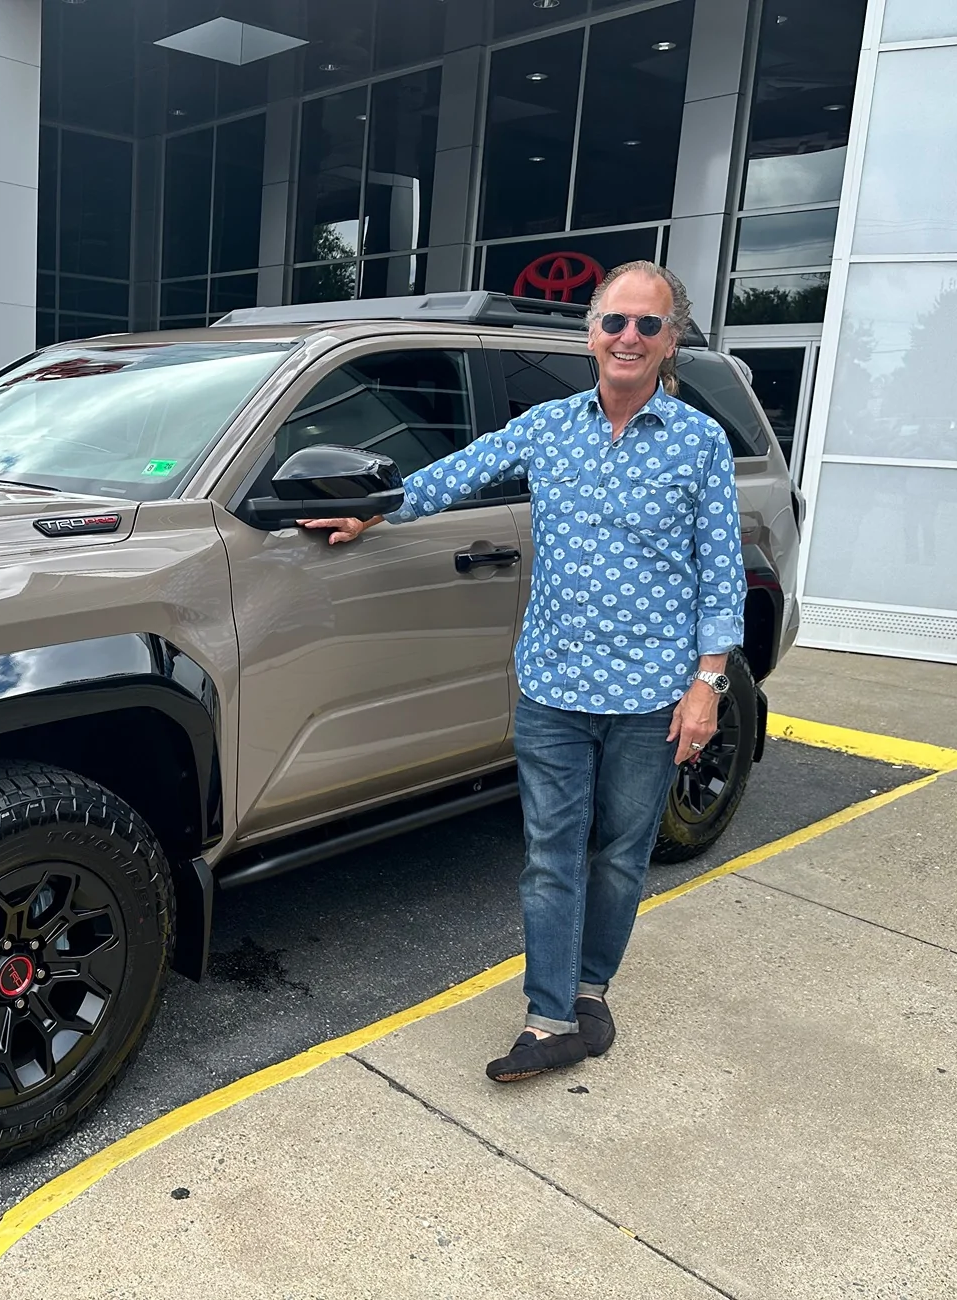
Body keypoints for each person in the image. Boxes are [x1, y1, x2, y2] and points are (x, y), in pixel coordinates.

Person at [302, 262, 747, 1081]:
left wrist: (706, 687)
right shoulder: (547, 426)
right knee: (549, 854)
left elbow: (719, 576)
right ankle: (548, 1019)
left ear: (669, 339)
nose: (628, 338)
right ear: (590, 333)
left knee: (619, 854)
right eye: (615, 322)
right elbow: (453, 474)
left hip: (652, 696)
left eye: (647, 326)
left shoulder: (699, 441)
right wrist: (373, 508)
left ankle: (590, 992)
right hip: (552, 688)